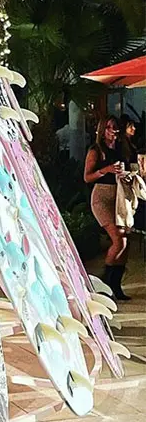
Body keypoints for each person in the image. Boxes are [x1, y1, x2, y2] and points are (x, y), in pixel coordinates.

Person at [84, 116, 130, 300]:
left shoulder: (121, 149)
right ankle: (104, 283)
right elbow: (87, 177)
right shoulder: (97, 151)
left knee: (126, 242)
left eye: (115, 127)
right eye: (109, 127)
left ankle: (116, 286)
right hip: (102, 197)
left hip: (119, 196)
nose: (113, 130)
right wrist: (106, 170)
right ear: (102, 130)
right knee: (118, 239)